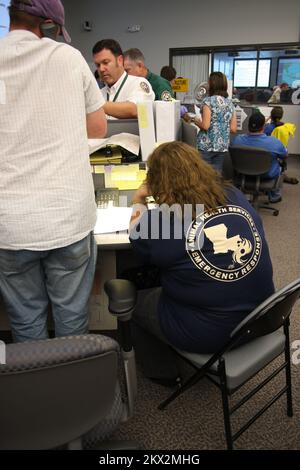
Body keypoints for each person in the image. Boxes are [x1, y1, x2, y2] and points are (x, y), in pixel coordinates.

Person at [0, 0, 107, 342]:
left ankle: (35, 391)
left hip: (10, 223)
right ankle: (72, 390)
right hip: (67, 217)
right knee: (71, 318)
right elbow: (98, 129)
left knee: (26, 321)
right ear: (48, 26)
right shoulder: (68, 58)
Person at [128, 141, 275, 383]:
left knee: (133, 304)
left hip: (211, 334)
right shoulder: (233, 194)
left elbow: (136, 238)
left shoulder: (164, 222)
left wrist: (139, 198)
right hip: (261, 318)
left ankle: (164, 375)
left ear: (156, 180)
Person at [92, 39, 155, 119]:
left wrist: (95, 104)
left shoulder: (138, 83)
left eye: (105, 62)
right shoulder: (100, 93)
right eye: (98, 65)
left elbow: (134, 109)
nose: (101, 69)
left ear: (120, 60)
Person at [233, 112, 287, 203]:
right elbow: (284, 155)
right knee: (280, 163)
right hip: (266, 175)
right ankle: (274, 196)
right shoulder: (274, 142)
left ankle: (245, 195)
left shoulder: (237, 140)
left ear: (248, 125)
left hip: (243, 174)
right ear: (263, 127)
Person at [195, 72, 237, 172]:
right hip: (222, 146)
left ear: (211, 85)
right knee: (216, 175)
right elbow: (233, 129)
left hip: (206, 145)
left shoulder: (208, 101)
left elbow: (205, 126)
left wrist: (196, 121)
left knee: (204, 175)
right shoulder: (230, 103)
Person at [265, 107, 298, 185]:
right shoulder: (285, 127)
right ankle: (281, 174)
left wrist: (267, 120)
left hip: (266, 156)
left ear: (271, 116)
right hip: (280, 155)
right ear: (281, 116)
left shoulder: (267, 128)